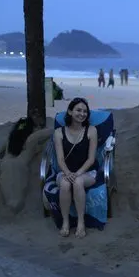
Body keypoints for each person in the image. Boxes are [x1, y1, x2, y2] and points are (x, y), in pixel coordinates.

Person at [53, 98, 98, 238]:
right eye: (78, 110)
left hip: (87, 172)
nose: (82, 114)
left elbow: (91, 159)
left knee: (77, 182)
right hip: (65, 171)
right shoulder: (59, 133)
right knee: (66, 183)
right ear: (70, 111)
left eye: (85, 111)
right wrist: (68, 173)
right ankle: (65, 222)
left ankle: (80, 222)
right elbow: (60, 159)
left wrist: (77, 174)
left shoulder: (91, 131)